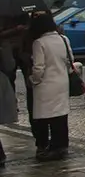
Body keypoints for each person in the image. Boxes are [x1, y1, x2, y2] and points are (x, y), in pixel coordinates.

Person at [29, 12, 75, 161]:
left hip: (45, 85)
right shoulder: (63, 39)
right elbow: (70, 60)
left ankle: (44, 146)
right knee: (60, 116)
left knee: (43, 118)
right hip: (62, 82)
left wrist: (33, 80)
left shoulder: (39, 43)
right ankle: (61, 146)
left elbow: (38, 67)